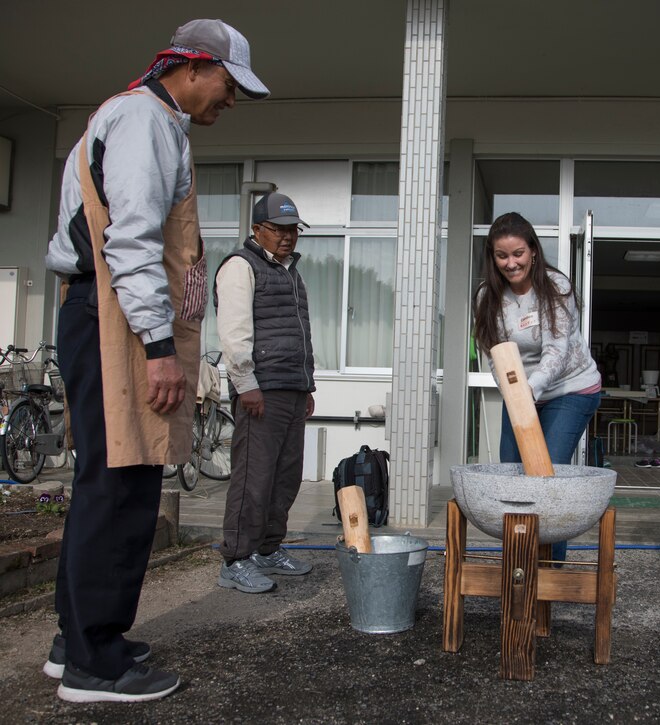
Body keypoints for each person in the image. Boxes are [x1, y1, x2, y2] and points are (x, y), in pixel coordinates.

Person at [42, 19, 268, 702]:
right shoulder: (143, 120)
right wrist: (160, 348)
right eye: (229, 86)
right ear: (193, 67)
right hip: (113, 319)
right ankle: (96, 663)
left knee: (106, 481)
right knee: (122, 484)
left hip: (110, 314)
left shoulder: (149, 119)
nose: (229, 101)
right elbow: (131, 240)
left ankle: (76, 638)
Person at [472, 212, 602, 562]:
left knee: (545, 474)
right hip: (521, 393)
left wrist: (529, 391)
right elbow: (494, 354)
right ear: (493, 257)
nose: (511, 263)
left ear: (532, 251)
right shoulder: (488, 296)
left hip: (569, 388)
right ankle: (520, 562)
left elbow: (556, 351)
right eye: (502, 256)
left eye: (518, 254)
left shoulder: (555, 287)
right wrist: (514, 394)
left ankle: (548, 565)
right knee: (512, 474)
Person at [214, 193, 317, 593]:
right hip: (261, 389)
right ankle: (236, 558)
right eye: (278, 229)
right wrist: (246, 385)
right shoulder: (241, 266)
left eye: (293, 229)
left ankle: (268, 549)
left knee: (285, 477)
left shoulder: (291, 272)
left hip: (291, 386)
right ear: (257, 230)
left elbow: (300, 334)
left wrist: (307, 385)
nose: (288, 237)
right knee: (252, 479)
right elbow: (234, 332)